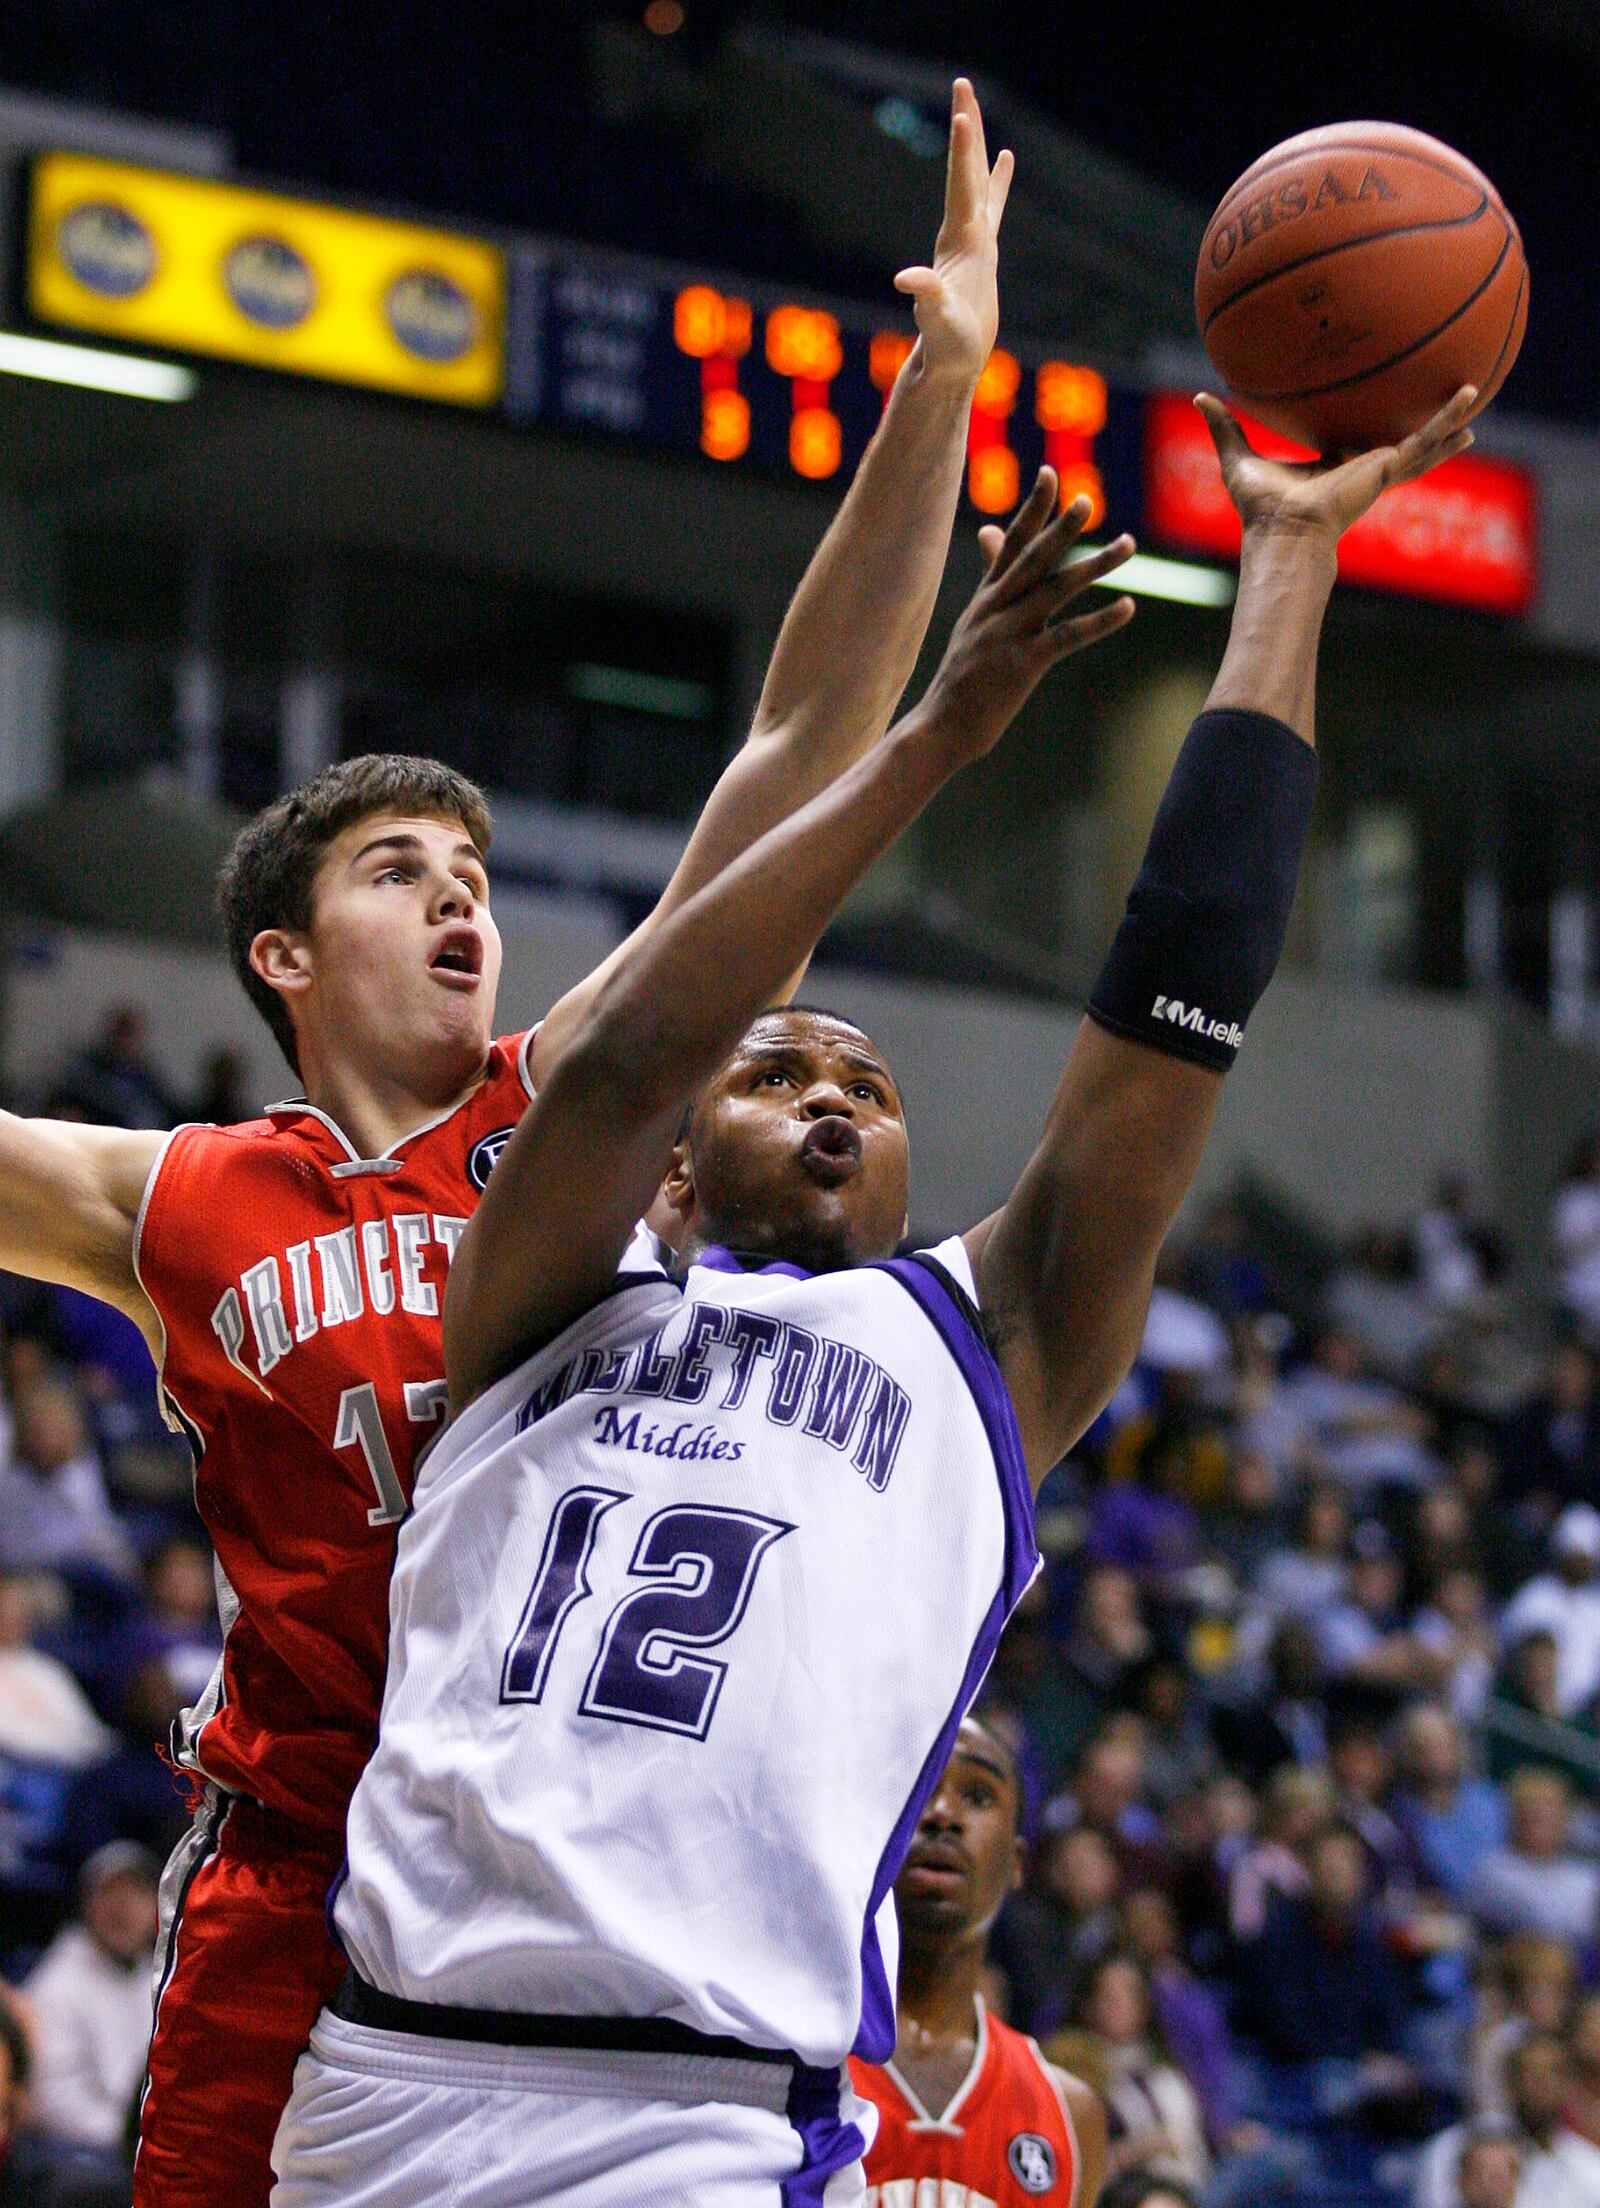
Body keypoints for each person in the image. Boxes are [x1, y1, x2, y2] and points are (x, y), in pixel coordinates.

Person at [269, 387, 1478, 2203]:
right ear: (679, 1159)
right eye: (780, 1074)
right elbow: (620, 1062)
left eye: (875, 1087)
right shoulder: (535, 1295)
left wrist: (1291, 560)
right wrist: (928, 743)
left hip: (683, 2113)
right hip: (384, 2071)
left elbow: (1174, 1001)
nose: (835, 1093)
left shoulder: (981, 1344)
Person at [0, 80, 1021, 2207]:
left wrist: (934, 381)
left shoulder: (586, 1114)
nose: (461, 893)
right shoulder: (182, 1197)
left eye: (472, 862)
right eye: (398, 868)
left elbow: (801, 751)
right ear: (285, 949)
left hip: (557, 1882)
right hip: (301, 1880)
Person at [849, 1717, 1106, 2207]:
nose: (943, 1813)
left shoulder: (1069, 2115)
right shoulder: (799, 2058)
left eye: (979, 1796)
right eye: (919, 1786)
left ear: (1016, 1863)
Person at [23, 1842, 160, 2158]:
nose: (123, 1907)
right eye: (110, 1892)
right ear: (87, 1905)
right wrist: (132, 2139)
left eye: (136, 1892)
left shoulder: (159, 1974)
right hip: (83, 2157)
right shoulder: (56, 1982)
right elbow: (51, 2099)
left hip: (146, 2144)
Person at [1415, 2032, 1600, 2208]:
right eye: (1530, 2073)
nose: (1541, 2083)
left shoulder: (1590, 2168)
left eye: (1552, 2073)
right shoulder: (1454, 2147)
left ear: (1570, 2084)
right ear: (1509, 2080)